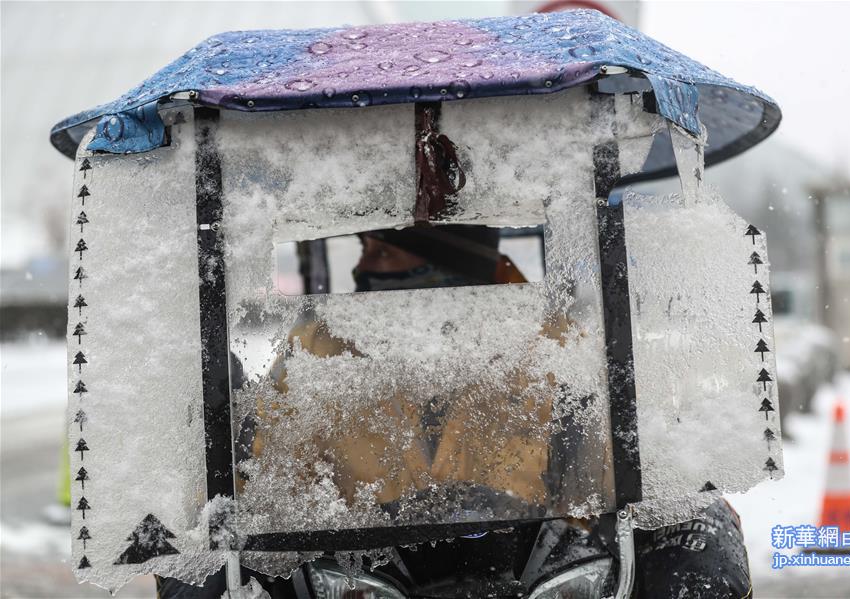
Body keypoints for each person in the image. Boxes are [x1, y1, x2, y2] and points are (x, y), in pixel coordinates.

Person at [157, 225, 752, 598]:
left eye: (438, 238)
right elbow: (262, 492)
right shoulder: (319, 355)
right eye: (390, 244)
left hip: (528, 581)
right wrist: (213, 549)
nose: (412, 262)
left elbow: (617, 476)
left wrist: (681, 519)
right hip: (367, 585)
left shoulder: (550, 349)